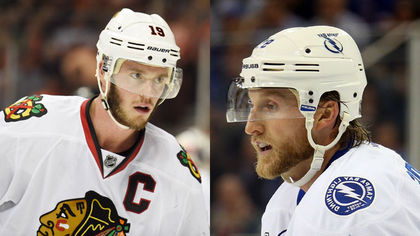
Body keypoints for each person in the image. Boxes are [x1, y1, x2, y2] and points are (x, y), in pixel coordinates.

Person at [0, 8, 209, 235]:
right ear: (102, 71)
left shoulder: (178, 172)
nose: (148, 93)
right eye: (136, 76)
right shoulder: (30, 126)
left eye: (159, 79)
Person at [226, 25, 420, 235]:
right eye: (253, 105)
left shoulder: (358, 211)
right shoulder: (289, 197)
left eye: (270, 106)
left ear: (325, 115)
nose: (251, 127)